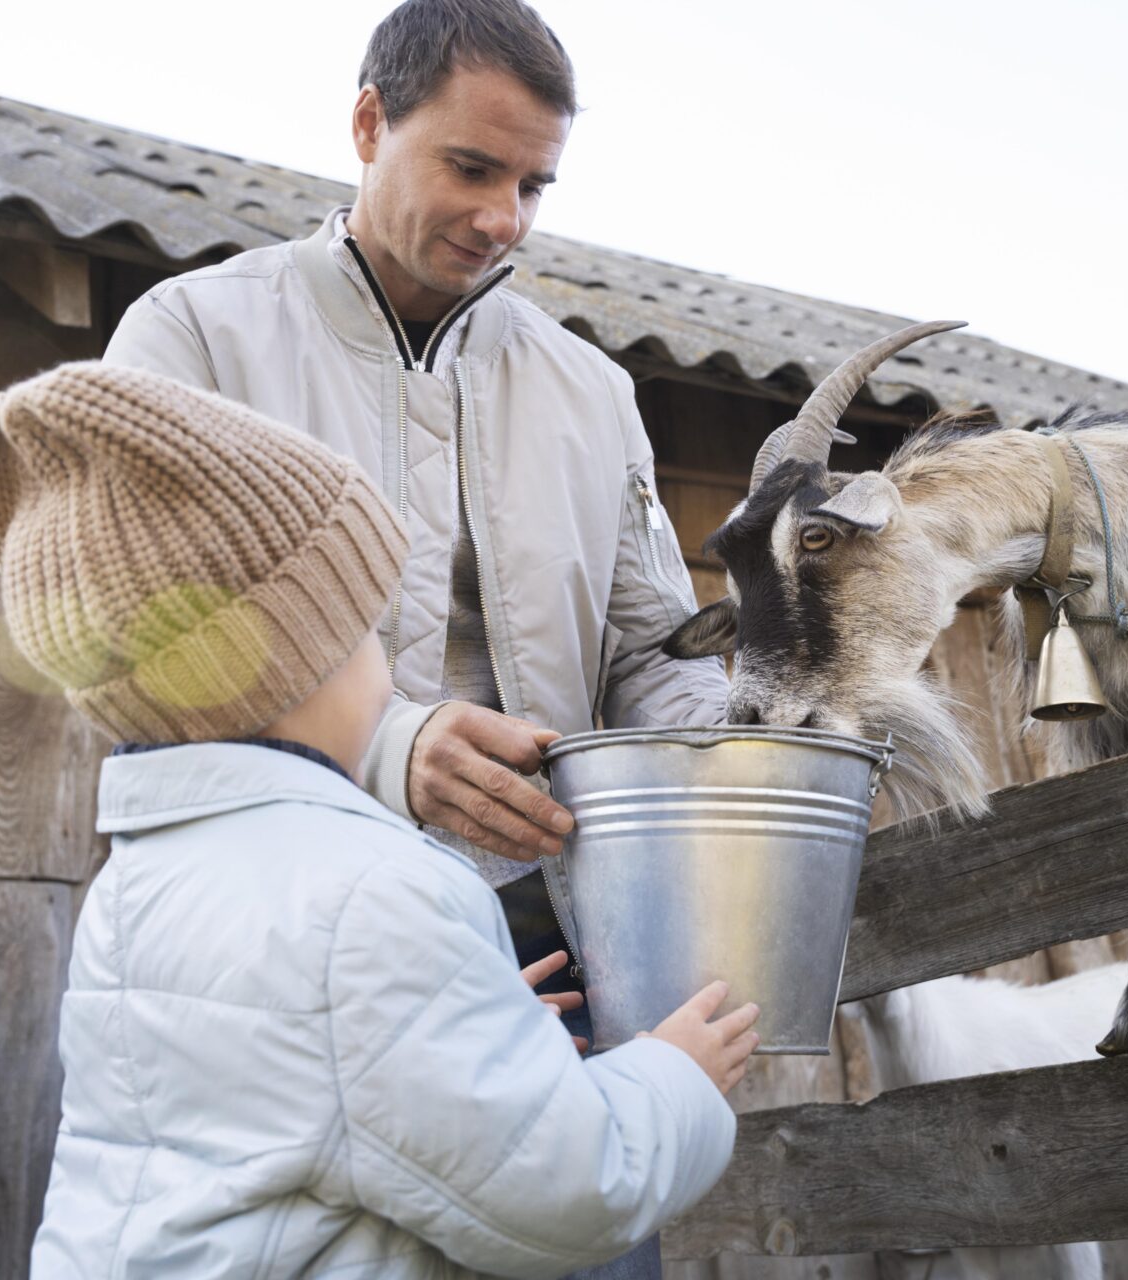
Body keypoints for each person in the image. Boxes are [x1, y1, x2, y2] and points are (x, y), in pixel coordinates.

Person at [0, 362, 758, 1279]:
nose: (387, 674)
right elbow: (571, 1187)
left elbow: (305, 1078)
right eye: (363, 635)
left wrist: (475, 1038)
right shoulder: (378, 891)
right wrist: (674, 1075)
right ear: (293, 665)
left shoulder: (138, 884)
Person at [101, 0, 729, 1054]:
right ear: (366, 125)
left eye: (533, 185)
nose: (506, 219)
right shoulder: (191, 337)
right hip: (266, 918)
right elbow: (134, 638)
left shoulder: (593, 390)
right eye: (473, 169)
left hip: (551, 931)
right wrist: (386, 742)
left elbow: (648, 651)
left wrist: (740, 744)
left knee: (578, 1208)